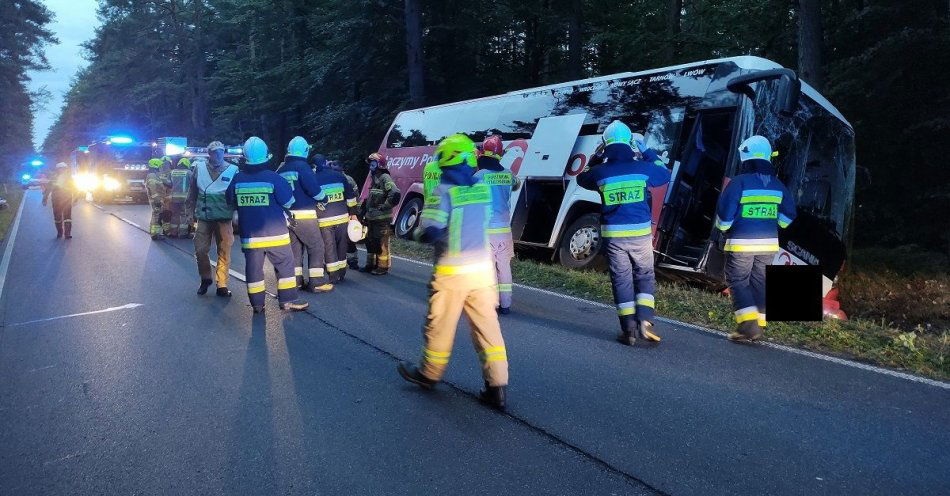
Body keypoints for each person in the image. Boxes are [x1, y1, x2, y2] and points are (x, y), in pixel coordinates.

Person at [397, 134, 508, 410]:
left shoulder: (443, 191)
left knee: (440, 326)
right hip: (483, 272)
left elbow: (429, 231)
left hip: (452, 273)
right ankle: (497, 388)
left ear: (447, 161)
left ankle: (429, 374)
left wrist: (419, 234)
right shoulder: (482, 187)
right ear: (469, 159)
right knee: (488, 330)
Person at [576, 120, 671, 346]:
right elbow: (663, 173)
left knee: (621, 280)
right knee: (644, 275)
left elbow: (582, 177)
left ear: (605, 145)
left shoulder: (600, 172)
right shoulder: (643, 168)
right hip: (640, 234)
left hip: (614, 236)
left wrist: (596, 156)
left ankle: (628, 330)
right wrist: (645, 149)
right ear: (630, 144)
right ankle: (646, 321)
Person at [714, 135, 796, 341]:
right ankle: (759, 322)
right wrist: (775, 223)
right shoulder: (778, 185)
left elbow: (725, 213)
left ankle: (748, 325)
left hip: (742, 243)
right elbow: (788, 215)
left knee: (738, 279)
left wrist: (723, 229)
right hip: (768, 244)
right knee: (759, 281)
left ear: (747, 158)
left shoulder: (739, 182)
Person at [226, 136, 310, 314]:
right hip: (276, 235)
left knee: (254, 271)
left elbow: (229, 200)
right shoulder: (275, 178)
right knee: (286, 267)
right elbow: (289, 202)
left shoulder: (238, 179)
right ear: (266, 155)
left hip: (250, 237)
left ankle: (257, 305)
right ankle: (288, 301)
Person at [472, 135, 521, 314]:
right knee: (504, 266)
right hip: (504, 230)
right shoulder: (509, 175)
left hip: (486, 229)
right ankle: (505, 304)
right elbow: (516, 184)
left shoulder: (479, 176)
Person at [277, 137, 332, 293]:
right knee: (316, 246)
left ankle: (296, 282)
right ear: (305, 150)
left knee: (295, 249)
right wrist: (324, 198)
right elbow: (313, 188)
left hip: (287, 216)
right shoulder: (302, 166)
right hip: (304, 215)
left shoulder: (281, 169)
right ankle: (317, 283)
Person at [189, 141, 238, 297]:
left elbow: (238, 194)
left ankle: (222, 285)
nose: (218, 155)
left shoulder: (233, 170)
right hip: (204, 217)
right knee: (200, 250)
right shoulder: (200, 168)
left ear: (223, 152)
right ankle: (205, 278)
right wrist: (190, 213)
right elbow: (192, 193)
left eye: (220, 152)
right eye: (214, 152)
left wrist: (238, 213)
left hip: (224, 218)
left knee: (224, 252)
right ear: (209, 154)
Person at [310, 154, 359, 283]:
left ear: (314, 166)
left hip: (324, 220)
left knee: (329, 247)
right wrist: (353, 214)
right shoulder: (339, 176)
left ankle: (333, 275)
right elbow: (351, 197)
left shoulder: (313, 179)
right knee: (342, 245)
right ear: (326, 162)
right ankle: (342, 273)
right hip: (342, 218)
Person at [361, 152, 400, 275]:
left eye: (373, 164)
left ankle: (382, 267)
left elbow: (395, 193)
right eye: (370, 164)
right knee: (370, 241)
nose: (370, 166)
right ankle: (370, 265)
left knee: (381, 242)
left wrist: (385, 206)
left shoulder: (384, 177)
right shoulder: (374, 178)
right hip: (372, 218)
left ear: (379, 165)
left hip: (382, 218)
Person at [329, 160, 362, 270]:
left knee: (349, 238)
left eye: (335, 167)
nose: (333, 170)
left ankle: (352, 261)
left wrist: (354, 214)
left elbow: (354, 197)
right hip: (336, 213)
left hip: (347, 212)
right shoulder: (333, 178)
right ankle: (337, 261)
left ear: (341, 168)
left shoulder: (347, 180)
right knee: (336, 239)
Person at [41, 162, 78, 239]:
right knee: (57, 217)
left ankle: (67, 234)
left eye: (63, 169)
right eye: (61, 169)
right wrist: (45, 199)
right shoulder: (54, 178)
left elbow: (74, 188)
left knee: (67, 218)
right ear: (57, 170)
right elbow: (48, 189)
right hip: (56, 200)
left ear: (65, 169)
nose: (62, 170)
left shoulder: (69, 178)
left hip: (66, 200)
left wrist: (76, 198)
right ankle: (60, 232)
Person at [166, 157, 194, 238]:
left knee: (174, 215)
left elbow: (168, 183)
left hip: (173, 198)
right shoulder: (189, 173)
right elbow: (193, 184)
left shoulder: (172, 172)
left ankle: (173, 233)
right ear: (187, 165)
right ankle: (183, 233)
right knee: (184, 215)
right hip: (185, 198)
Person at [145, 158, 168, 240]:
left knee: (157, 215)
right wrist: (157, 199)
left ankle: (156, 233)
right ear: (156, 165)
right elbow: (153, 189)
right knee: (156, 216)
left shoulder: (154, 175)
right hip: (156, 200)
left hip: (158, 199)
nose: (161, 167)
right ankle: (154, 234)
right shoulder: (152, 176)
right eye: (160, 165)